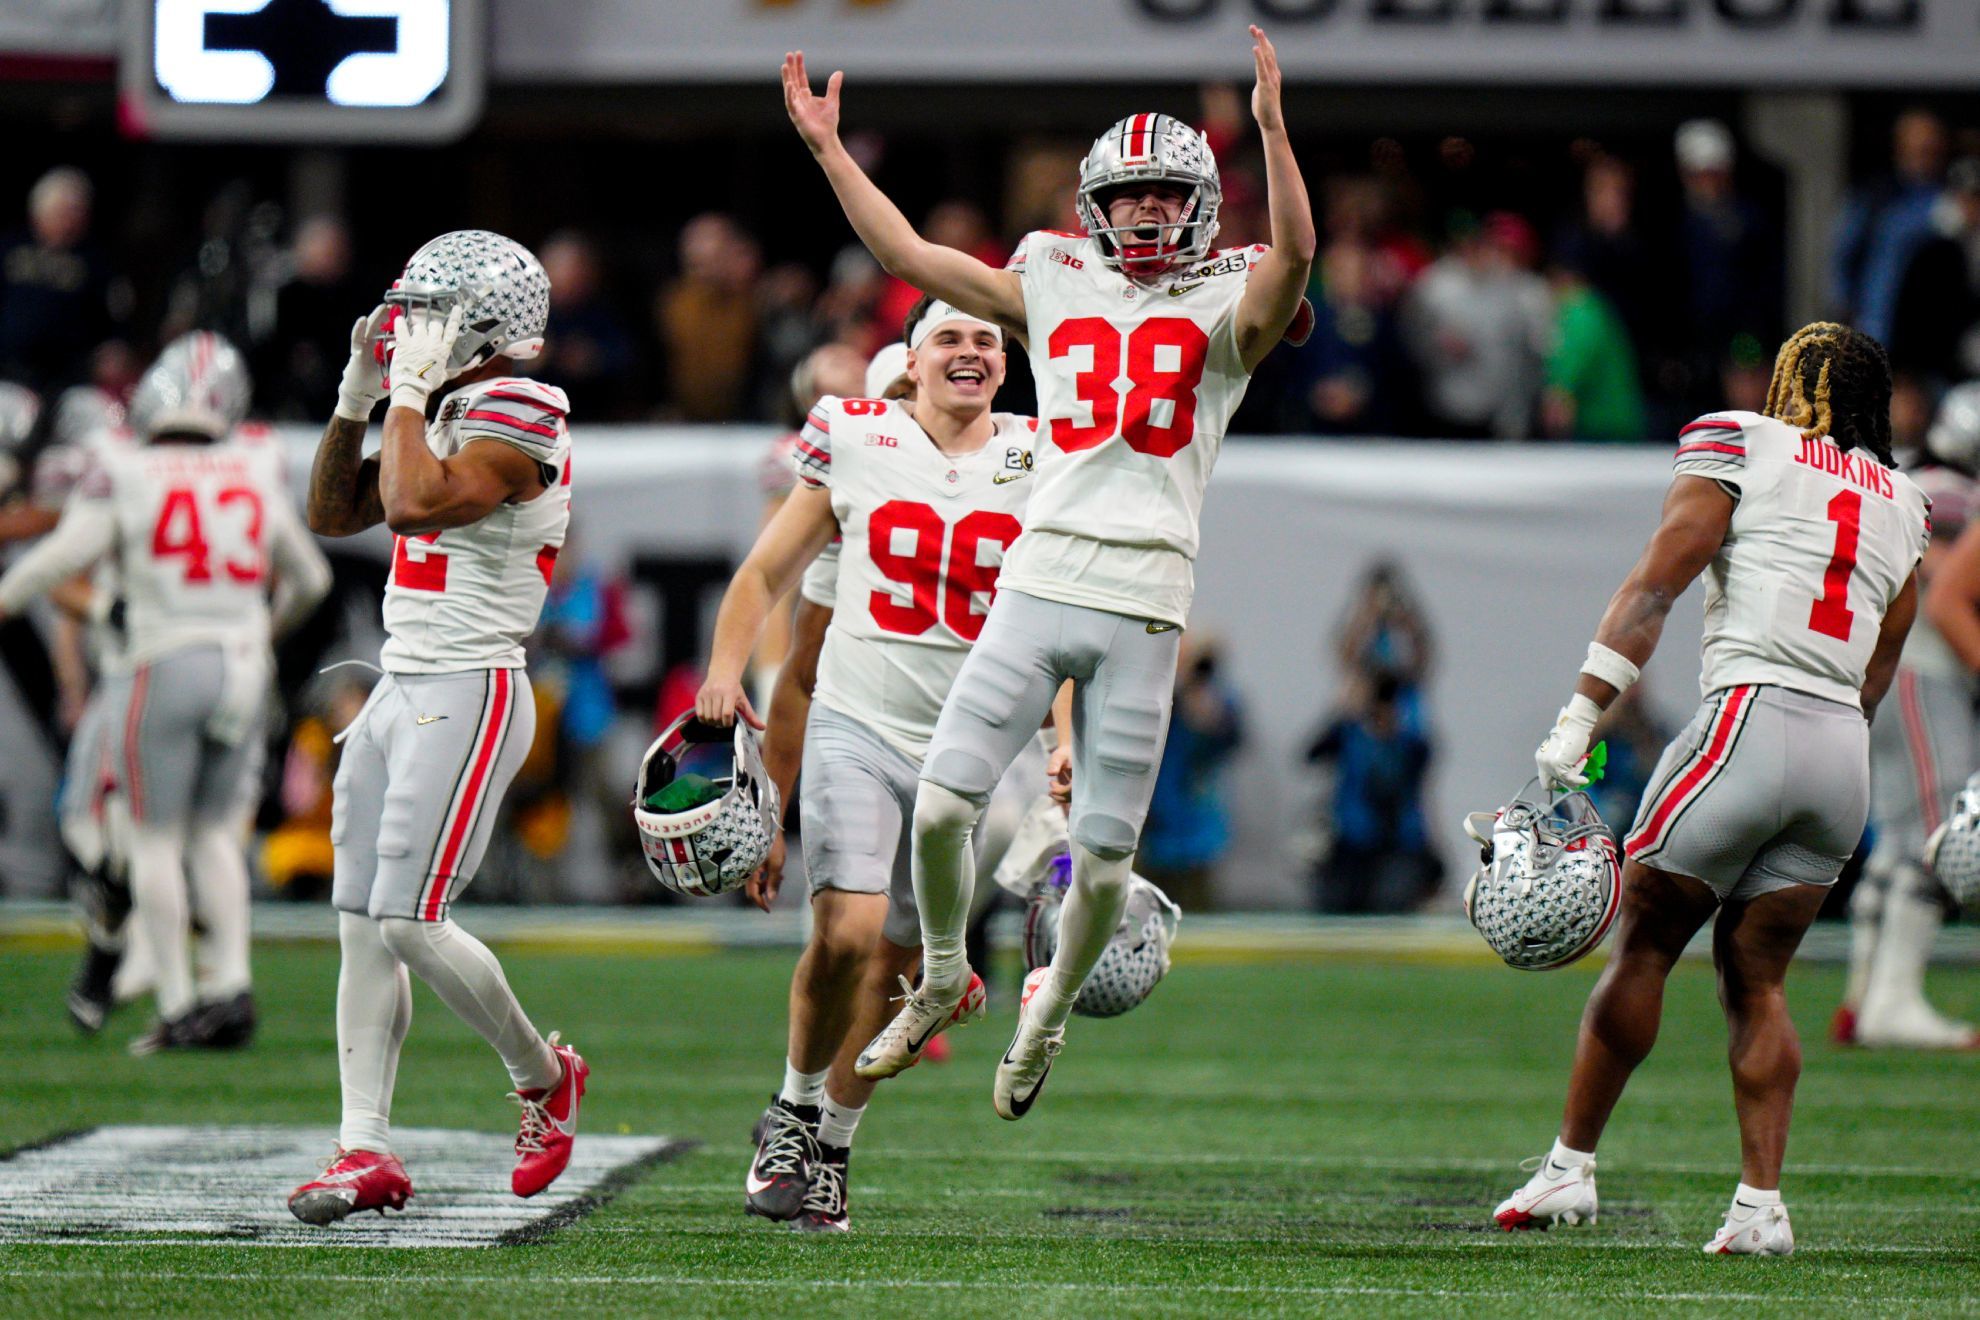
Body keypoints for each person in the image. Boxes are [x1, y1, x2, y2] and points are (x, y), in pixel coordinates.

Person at [782, 23, 1315, 1119]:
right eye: (1130, 198)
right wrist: (834, 155)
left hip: (1147, 598)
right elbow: (912, 261)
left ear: (1201, 204)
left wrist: (1270, 131)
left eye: (1168, 196)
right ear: (1097, 205)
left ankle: (1047, 1016)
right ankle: (938, 973)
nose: (1148, 214)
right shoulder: (1052, 274)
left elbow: (1297, 259)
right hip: (1040, 579)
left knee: (1108, 865)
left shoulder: (1228, 299)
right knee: (942, 809)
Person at [1498, 322, 1930, 1255]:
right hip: (1840, 756)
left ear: (1790, 383)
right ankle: (1760, 1206)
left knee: (1645, 943)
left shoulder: (1744, 439)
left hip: (1749, 718)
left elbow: (1658, 585)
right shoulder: (1905, 501)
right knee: (1759, 979)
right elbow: (1877, 670)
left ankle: (1569, 1169)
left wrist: (1581, 720)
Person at [693, 296, 1043, 1231]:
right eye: (946, 340)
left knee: (896, 965)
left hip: (968, 751)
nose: (967, 355)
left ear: (1006, 363)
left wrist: (1066, 747)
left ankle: (834, 1145)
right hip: (860, 725)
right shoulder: (853, 441)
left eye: (986, 339)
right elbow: (784, 622)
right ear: (910, 366)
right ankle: (793, 1107)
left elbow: (1070, 614)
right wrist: (734, 691)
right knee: (845, 933)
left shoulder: (1041, 458)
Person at [287, 230, 587, 1226]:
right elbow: (334, 513)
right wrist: (354, 404)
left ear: (481, 324)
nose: (411, 325)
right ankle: (362, 1147)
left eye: (430, 310)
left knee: (409, 919)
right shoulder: (446, 403)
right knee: (360, 928)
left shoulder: (523, 404)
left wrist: (408, 397)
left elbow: (413, 504)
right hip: (397, 683)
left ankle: (544, 1077)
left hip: (469, 685)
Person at [0, 332, 330, 1051]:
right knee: (215, 835)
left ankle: (179, 1000)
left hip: (162, 658)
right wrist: (260, 632)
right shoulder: (251, 466)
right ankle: (231, 989)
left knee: (153, 839)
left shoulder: (130, 467)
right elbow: (311, 580)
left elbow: (61, 557)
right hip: (242, 665)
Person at [1834, 467, 1977, 1049]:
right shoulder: (1946, 490)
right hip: (1923, 671)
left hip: (1894, 671)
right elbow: (1942, 593)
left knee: (1899, 837)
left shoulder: (1912, 481)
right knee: (1935, 826)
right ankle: (1891, 1003)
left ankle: (1863, 997)